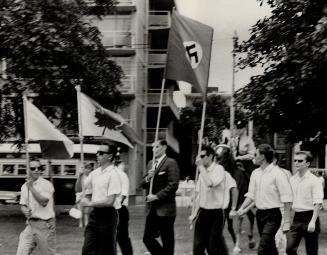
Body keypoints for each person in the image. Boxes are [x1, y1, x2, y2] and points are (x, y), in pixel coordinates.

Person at [237, 144, 293, 255]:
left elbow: (287, 199)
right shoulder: (255, 173)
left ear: (262, 157)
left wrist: (286, 222)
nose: (253, 157)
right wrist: (242, 208)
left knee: (262, 247)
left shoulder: (278, 174)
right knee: (270, 248)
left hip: (273, 216)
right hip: (260, 215)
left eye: (255, 154)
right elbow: (251, 195)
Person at [80, 144, 122, 255]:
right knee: (87, 250)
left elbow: (109, 202)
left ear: (109, 156)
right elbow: (86, 190)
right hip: (95, 215)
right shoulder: (94, 173)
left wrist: (89, 203)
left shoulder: (114, 175)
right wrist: (83, 176)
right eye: (97, 153)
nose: (97, 155)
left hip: (108, 216)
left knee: (105, 251)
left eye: (101, 153)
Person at [142, 140, 180, 255]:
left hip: (166, 209)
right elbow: (143, 184)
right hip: (151, 209)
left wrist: (157, 196)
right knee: (147, 238)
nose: (154, 149)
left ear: (164, 147)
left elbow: (173, 185)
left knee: (167, 241)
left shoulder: (171, 162)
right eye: (153, 147)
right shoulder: (150, 163)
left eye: (157, 147)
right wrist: (148, 177)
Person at [216, 144, 255, 253]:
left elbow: (250, 155)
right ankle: (235, 243)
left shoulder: (247, 140)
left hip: (243, 161)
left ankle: (253, 191)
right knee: (229, 225)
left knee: (250, 172)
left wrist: (239, 157)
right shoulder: (234, 138)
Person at [192, 145, 229, 255]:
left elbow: (210, 183)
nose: (199, 159)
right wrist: (194, 213)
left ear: (211, 156)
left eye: (202, 156)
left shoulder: (219, 169)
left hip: (216, 213)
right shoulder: (202, 172)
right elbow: (199, 194)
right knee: (198, 247)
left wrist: (201, 168)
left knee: (213, 247)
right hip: (203, 212)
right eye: (198, 156)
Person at [16, 157, 56, 255]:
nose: (37, 170)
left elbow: (43, 202)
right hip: (30, 225)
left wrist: (31, 187)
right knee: (21, 252)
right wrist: (24, 210)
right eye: (33, 168)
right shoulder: (24, 186)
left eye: (39, 168)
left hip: (45, 225)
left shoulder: (47, 184)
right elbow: (23, 204)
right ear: (28, 170)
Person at [286, 151, 323, 255]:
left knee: (311, 251)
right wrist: (286, 220)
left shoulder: (314, 180)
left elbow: (317, 202)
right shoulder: (292, 179)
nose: (296, 162)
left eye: (300, 160)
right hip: (297, 218)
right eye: (295, 160)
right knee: (289, 249)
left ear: (307, 163)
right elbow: (289, 201)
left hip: (310, 217)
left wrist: (312, 222)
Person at [116, 160, 133, 255]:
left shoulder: (122, 176)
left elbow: (123, 195)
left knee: (122, 237)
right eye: (122, 165)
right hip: (117, 208)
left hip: (119, 208)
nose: (123, 166)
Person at [75, 162, 93, 227]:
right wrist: (79, 197)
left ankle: (86, 224)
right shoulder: (80, 176)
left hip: (87, 195)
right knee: (80, 211)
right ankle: (80, 224)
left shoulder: (91, 177)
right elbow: (78, 188)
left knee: (86, 212)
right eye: (86, 168)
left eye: (89, 169)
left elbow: (90, 188)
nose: (88, 170)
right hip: (80, 195)